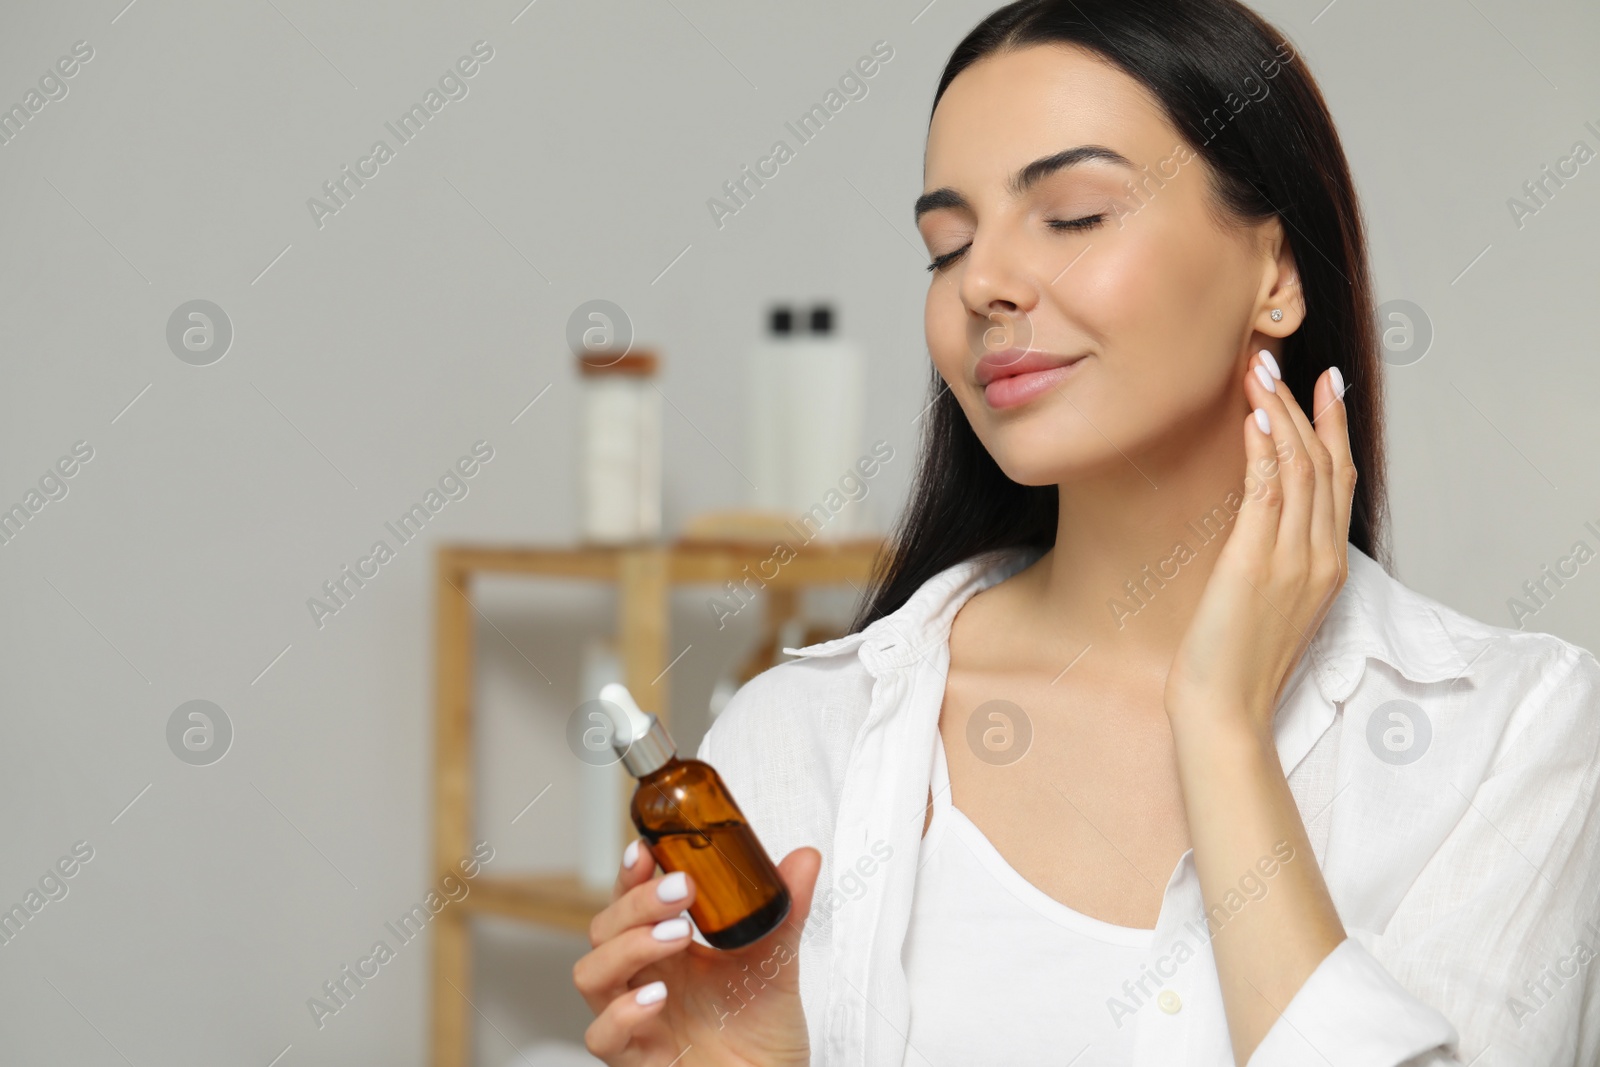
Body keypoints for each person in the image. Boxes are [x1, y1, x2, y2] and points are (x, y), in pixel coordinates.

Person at [572, 1, 1600, 1063]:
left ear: (1277, 274)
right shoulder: (797, 736)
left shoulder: (1508, 735)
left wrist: (1220, 730)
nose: (983, 282)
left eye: (1071, 215)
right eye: (947, 244)